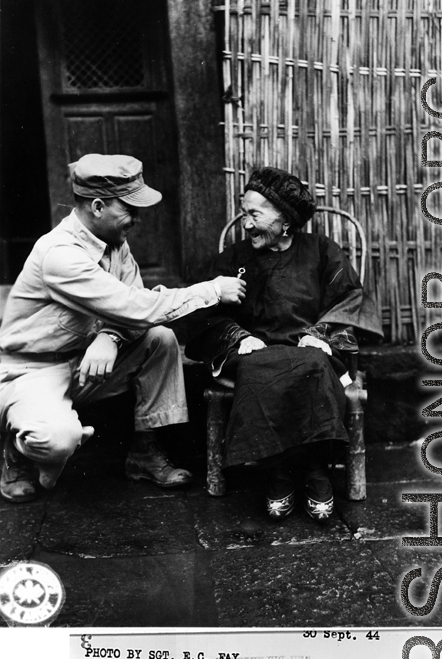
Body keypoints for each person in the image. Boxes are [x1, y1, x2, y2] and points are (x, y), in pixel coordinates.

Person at [0, 153, 246, 503]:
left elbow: (133, 304)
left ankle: (144, 452)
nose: (137, 218)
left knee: (160, 339)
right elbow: (137, 307)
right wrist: (211, 289)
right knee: (58, 439)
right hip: (32, 370)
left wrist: (110, 336)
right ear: (97, 206)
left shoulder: (115, 242)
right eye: (129, 208)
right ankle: (16, 451)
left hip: (82, 362)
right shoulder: (60, 254)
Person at [186, 167, 382, 522]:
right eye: (244, 213)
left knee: (312, 363)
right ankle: (278, 472)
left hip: (311, 351)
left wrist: (320, 334)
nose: (245, 223)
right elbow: (206, 310)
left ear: (285, 220)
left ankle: (314, 470)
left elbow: (352, 299)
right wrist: (238, 337)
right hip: (254, 353)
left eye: (254, 215)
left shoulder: (322, 251)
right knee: (262, 364)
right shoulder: (234, 258)